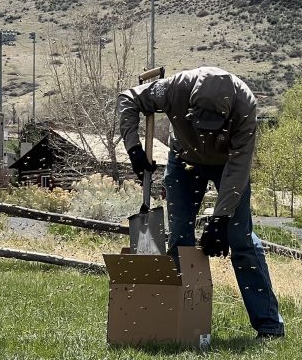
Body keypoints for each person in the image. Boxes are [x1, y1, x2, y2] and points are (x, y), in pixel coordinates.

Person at [118, 66, 285, 339]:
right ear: (190, 102)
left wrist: (220, 219)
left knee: (241, 241)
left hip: (227, 167)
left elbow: (238, 168)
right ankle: (177, 323)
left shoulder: (245, 106)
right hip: (184, 161)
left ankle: (269, 326)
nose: (206, 131)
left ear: (227, 112)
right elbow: (128, 98)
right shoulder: (173, 88)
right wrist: (134, 148)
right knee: (180, 241)